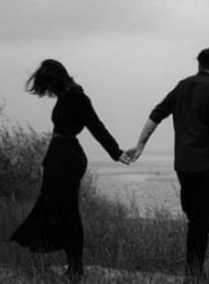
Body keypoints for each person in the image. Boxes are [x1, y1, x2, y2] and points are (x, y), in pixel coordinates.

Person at [10, 59, 130, 282]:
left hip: (66, 158)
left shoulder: (76, 97)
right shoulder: (67, 95)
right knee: (57, 209)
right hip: (60, 155)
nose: (47, 91)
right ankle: (74, 265)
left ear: (55, 80)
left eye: (47, 85)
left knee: (67, 212)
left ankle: (76, 266)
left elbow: (96, 126)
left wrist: (116, 152)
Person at [126, 46, 209, 280]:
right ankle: (194, 274)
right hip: (207, 165)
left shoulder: (183, 86)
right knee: (201, 223)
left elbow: (157, 113)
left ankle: (192, 271)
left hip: (183, 165)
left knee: (194, 219)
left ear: (199, 64)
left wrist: (140, 144)